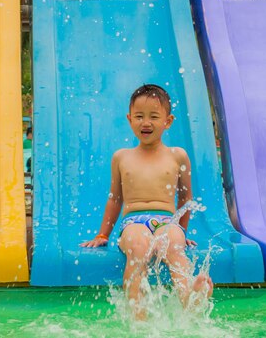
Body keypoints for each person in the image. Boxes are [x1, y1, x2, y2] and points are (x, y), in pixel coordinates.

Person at [80, 84, 213, 319]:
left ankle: (190, 296)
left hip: (167, 221)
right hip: (133, 221)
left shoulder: (178, 155)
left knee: (173, 243)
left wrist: (181, 229)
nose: (146, 123)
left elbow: (185, 199)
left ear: (168, 121)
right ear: (129, 119)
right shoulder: (122, 157)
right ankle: (138, 316)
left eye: (154, 116)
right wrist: (103, 235)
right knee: (139, 246)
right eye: (139, 117)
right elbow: (115, 199)